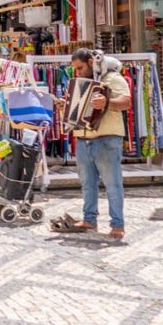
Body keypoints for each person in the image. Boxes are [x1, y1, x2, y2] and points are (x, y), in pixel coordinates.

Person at [60, 48, 131, 241]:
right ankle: (89, 219)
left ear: (92, 63)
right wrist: (63, 108)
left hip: (107, 138)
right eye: (75, 68)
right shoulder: (78, 84)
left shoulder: (113, 79)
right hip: (83, 139)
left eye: (80, 68)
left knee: (112, 184)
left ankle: (118, 224)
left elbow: (126, 101)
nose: (78, 72)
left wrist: (106, 103)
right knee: (87, 184)